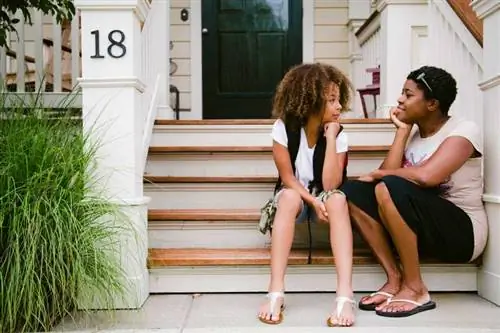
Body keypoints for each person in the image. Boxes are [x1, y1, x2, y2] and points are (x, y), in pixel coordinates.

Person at [340, 65, 488, 317]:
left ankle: (416, 287)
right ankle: (395, 278)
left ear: (432, 104)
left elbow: (427, 177)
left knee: (390, 185)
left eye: (408, 95)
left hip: (462, 234)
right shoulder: (416, 134)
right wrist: (402, 132)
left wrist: (380, 175)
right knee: (352, 191)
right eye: (402, 93)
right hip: (423, 227)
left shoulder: (463, 131)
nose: (400, 99)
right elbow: (380, 185)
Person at [257, 63, 356, 327]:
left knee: (338, 198)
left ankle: (345, 294)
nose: (338, 108)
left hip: (325, 199)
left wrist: (332, 138)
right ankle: (275, 291)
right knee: (289, 196)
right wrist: (311, 200)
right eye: (332, 101)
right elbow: (288, 178)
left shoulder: (338, 133)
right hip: (297, 199)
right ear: (311, 101)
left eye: (339, 100)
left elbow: (331, 183)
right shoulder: (283, 128)